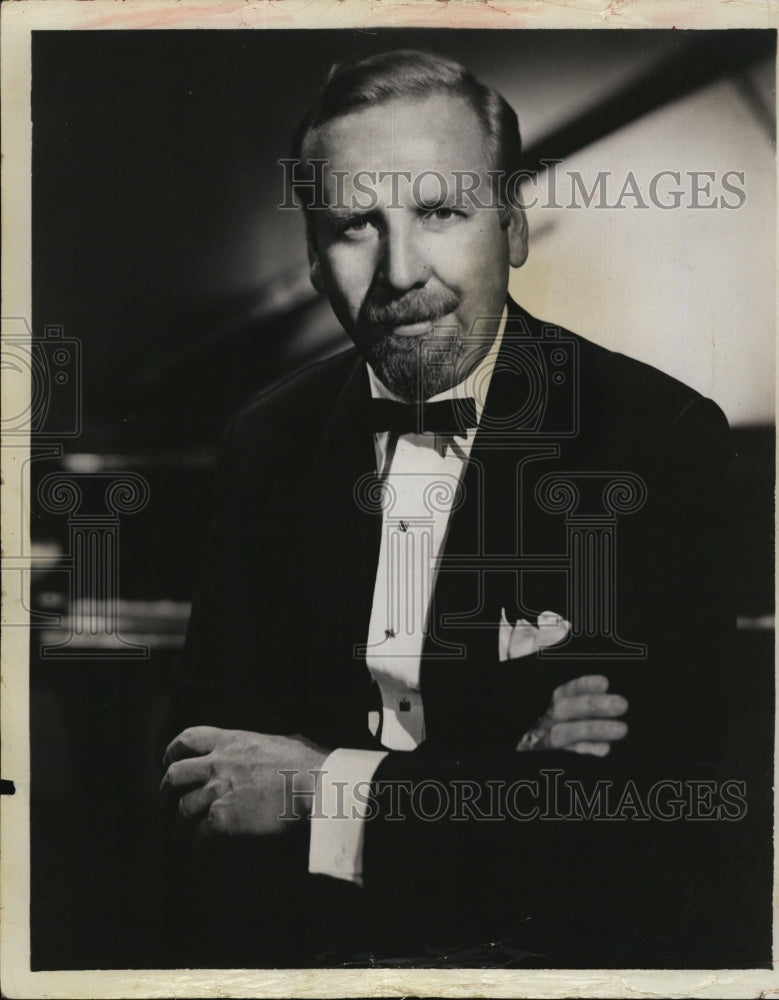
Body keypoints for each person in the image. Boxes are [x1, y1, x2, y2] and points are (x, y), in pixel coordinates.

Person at [160, 50, 736, 968]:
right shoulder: (267, 439)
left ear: (511, 226)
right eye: (356, 224)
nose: (399, 272)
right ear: (312, 260)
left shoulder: (658, 437)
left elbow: (636, 830)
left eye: (439, 211)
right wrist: (506, 769)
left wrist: (322, 790)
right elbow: (205, 778)